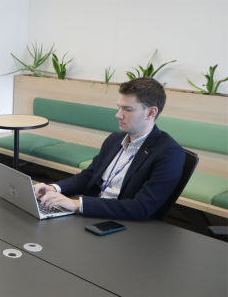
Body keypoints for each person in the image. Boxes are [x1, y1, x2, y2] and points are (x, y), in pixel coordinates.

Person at [33, 77, 185, 221]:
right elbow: (89, 175)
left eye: (128, 109)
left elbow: (141, 207)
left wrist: (77, 205)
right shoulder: (115, 139)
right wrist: (54, 188)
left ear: (151, 112)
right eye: (119, 107)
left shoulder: (169, 153)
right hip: (91, 212)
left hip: (122, 223)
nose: (118, 115)